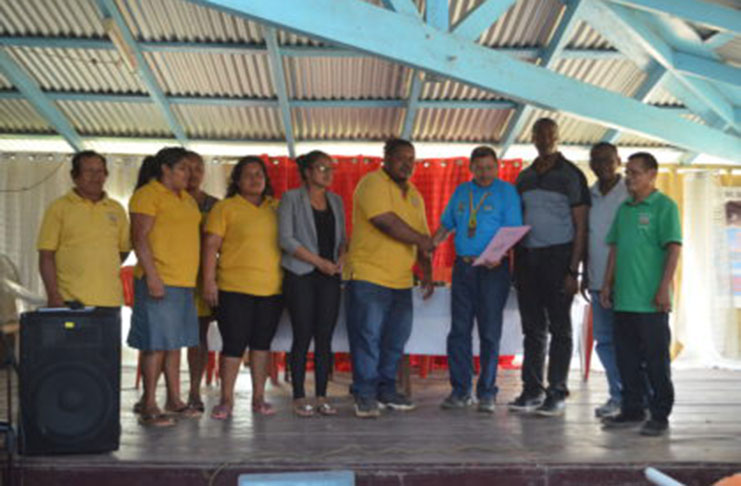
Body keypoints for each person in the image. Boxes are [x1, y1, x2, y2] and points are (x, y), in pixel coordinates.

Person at [345, 138, 434, 418]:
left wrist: (427, 273)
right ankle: (365, 393)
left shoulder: (415, 195)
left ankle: (386, 389)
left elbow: (423, 240)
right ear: (386, 157)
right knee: (367, 337)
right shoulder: (371, 183)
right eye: (401, 157)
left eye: (412, 159)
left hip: (401, 280)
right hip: (369, 275)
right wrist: (422, 239)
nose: (407, 164)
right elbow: (385, 221)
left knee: (395, 340)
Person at [509, 118, 590, 417]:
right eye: (538, 134)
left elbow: (582, 227)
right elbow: (515, 222)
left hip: (559, 259)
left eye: (549, 133)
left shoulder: (571, 175)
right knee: (532, 328)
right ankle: (531, 390)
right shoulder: (524, 177)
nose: (544, 138)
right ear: (531, 138)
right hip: (528, 259)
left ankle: (556, 392)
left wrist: (574, 271)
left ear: (557, 137)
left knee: (560, 328)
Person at [432, 146, 522, 413]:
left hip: (493, 270)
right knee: (459, 331)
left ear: (498, 167)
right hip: (464, 268)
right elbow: (447, 224)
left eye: (489, 168)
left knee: (489, 332)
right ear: (471, 168)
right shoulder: (462, 192)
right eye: (479, 168)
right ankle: (460, 391)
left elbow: (513, 229)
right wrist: (431, 244)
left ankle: (487, 392)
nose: (484, 173)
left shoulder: (506, 192)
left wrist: (502, 252)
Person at [600, 152, 681, 437]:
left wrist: (663, 288)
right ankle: (633, 409)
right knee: (627, 359)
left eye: (635, 172)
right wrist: (607, 284)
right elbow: (615, 248)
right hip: (624, 299)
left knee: (657, 361)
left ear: (652, 174)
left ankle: (660, 414)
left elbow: (673, 249)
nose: (629, 178)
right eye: (628, 172)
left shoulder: (664, 207)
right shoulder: (624, 210)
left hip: (651, 302)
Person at [202, 156, 283, 419]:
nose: (254, 179)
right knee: (233, 345)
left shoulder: (277, 208)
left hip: (271, 289)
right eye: (248, 174)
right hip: (233, 288)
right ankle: (226, 400)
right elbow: (210, 247)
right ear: (236, 180)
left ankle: (259, 399)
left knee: (261, 346)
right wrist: (209, 281)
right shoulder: (225, 208)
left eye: (259, 174)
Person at [128, 147, 202, 427]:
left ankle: (174, 399)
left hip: (183, 282)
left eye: (191, 168)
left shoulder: (188, 200)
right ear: (165, 170)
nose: (189, 173)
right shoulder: (148, 194)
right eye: (183, 168)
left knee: (174, 345)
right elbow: (139, 238)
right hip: (159, 280)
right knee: (155, 344)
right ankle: (148, 405)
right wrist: (153, 277)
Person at [278, 150, 347, 417]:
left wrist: (340, 258)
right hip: (301, 275)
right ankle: (298, 395)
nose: (328, 173)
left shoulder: (336, 201)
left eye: (331, 168)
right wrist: (319, 262)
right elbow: (286, 239)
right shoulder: (291, 198)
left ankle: (322, 395)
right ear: (307, 172)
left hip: (330, 276)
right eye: (321, 168)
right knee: (302, 334)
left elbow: (342, 238)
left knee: (325, 337)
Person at [38, 151, 130, 309]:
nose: (95, 177)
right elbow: (46, 256)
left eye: (100, 171)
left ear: (106, 175)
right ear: (75, 176)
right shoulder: (59, 208)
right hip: (70, 301)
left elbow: (123, 251)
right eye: (89, 171)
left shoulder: (116, 209)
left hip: (110, 300)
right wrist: (53, 295)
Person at [583, 142, 628, 418]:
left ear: (618, 161)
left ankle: (640, 397)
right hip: (597, 280)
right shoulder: (590, 196)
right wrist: (583, 274)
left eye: (607, 160)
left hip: (628, 283)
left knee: (631, 343)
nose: (602, 165)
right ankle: (617, 395)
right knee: (605, 342)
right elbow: (586, 238)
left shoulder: (630, 192)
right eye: (596, 160)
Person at [184, 151, 219, 413]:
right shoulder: (164, 200)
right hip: (171, 277)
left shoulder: (214, 205)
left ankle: (194, 390)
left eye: (199, 169)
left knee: (198, 337)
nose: (193, 174)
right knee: (167, 340)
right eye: (187, 168)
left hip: (201, 279)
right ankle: (166, 391)